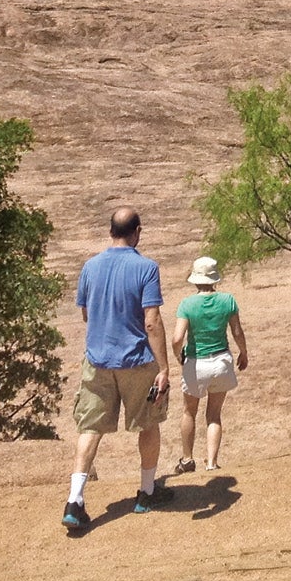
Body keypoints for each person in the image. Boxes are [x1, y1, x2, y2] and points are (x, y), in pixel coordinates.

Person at [62, 207, 172, 531]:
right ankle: (146, 493)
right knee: (148, 424)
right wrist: (164, 367)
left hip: (97, 362)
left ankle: (75, 500)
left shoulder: (90, 266)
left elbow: (86, 313)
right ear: (137, 231)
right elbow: (151, 321)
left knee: (90, 428)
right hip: (137, 362)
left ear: (111, 231)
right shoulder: (146, 268)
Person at [169, 256, 248, 473]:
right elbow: (237, 332)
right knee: (214, 414)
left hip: (196, 363)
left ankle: (187, 459)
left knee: (188, 411)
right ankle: (212, 462)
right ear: (215, 279)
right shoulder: (228, 300)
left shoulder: (187, 304)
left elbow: (177, 339)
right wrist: (243, 352)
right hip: (221, 360)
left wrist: (179, 357)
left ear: (195, 279)